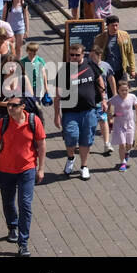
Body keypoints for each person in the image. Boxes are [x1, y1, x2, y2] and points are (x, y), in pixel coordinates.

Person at [0, 96, 46, 256]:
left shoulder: (34, 121)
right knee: (8, 202)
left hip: (27, 169)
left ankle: (23, 243)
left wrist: (41, 168)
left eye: (13, 105)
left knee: (25, 205)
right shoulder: (2, 123)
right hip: (5, 171)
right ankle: (12, 226)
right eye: (8, 106)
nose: (10, 108)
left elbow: (41, 145)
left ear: (22, 107)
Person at [54, 40, 105, 180]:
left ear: (83, 54)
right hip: (70, 112)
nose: (74, 58)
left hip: (89, 110)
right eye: (71, 55)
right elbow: (57, 95)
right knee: (71, 137)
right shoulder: (64, 70)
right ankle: (70, 158)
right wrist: (56, 115)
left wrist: (104, 99)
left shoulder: (90, 65)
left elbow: (99, 80)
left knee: (86, 139)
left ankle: (84, 166)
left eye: (77, 55)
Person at [106, 78, 137, 172]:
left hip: (130, 123)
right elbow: (106, 105)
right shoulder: (115, 99)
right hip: (119, 124)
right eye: (122, 90)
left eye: (126, 90)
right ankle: (123, 162)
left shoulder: (132, 97)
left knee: (129, 145)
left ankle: (127, 153)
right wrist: (111, 115)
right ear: (118, 90)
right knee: (122, 144)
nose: (124, 92)